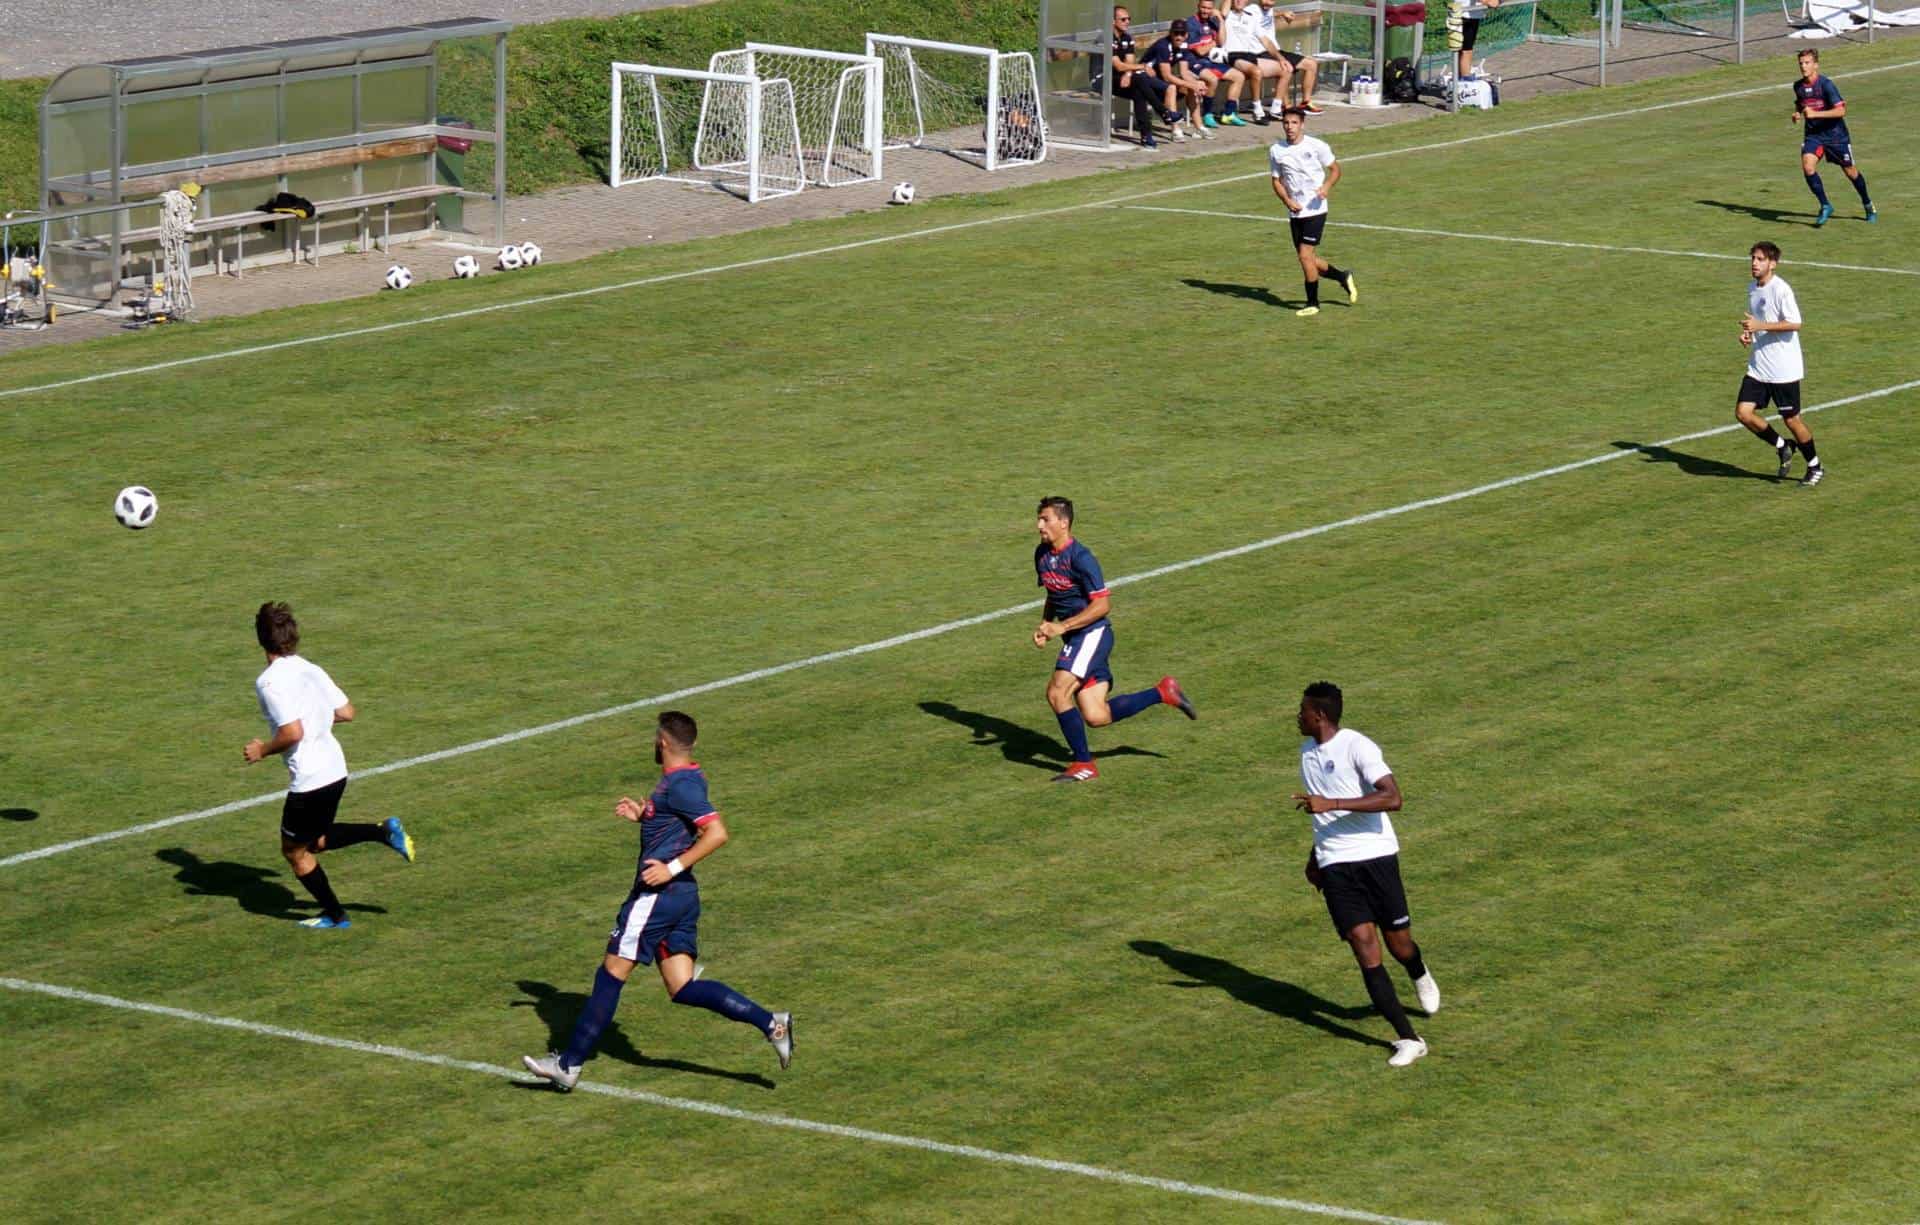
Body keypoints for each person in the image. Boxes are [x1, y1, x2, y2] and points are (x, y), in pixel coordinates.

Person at [523, 711, 791, 1091]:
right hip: (680, 899)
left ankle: (569, 1064)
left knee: (612, 971)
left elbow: (717, 833)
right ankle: (772, 1024)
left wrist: (671, 867)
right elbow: (676, 822)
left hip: (658, 896)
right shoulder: (685, 778)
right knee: (682, 987)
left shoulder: (682, 785)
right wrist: (644, 815)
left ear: (662, 742)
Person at [1291, 681, 1439, 1069]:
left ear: (1319, 715)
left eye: (1303, 710)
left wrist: (1333, 802)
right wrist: (1314, 858)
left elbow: (1393, 798)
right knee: (1363, 945)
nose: (1298, 716)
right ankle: (1409, 1038)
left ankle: (1418, 971)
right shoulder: (1307, 754)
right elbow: (1323, 815)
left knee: (1399, 944)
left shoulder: (1358, 746)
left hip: (1376, 857)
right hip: (1335, 863)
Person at [243, 601, 413, 931]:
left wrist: (261, 750)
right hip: (336, 769)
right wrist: (317, 715)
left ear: (261, 639)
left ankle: (337, 917)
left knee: (294, 851)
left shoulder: (269, 682)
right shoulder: (310, 668)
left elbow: (293, 732)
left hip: (310, 780)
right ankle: (383, 832)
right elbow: (347, 711)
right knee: (315, 840)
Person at [1032, 497, 1196, 784]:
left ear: (1063, 523)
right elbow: (1053, 592)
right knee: (1096, 715)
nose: (1039, 525)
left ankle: (1084, 764)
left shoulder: (1082, 559)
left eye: (1045, 519)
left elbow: (1102, 605)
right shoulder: (1042, 555)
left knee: (1057, 693)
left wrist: (1063, 626)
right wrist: (1046, 625)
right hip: (1075, 637)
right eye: (1039, 519)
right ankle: (1163, 692)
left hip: (1092, 634)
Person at [1736, 241, 1822, 487]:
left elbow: (1795, 323)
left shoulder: (1782, 290)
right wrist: (1749, 333)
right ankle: (1783, 446)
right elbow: (1759, 320)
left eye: (1760, 259)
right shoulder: (1752, 288)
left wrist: (1760, 327)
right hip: (1759, 366)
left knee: (1792, 420)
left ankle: (1815, 465)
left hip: (1783, 369)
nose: (1754, 263)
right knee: (1743, 413)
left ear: (1772, 264)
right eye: (1752, 258)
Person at [1268, 107, 1355, 317]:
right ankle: (1342, 276)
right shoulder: (1276, 150)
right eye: (1286, 123)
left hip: (1316, 209)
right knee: (1307, 258)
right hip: (1295, 211)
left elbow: (1335, 169)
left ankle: (1313, 303)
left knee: (1305, 256)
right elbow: (1276, 181)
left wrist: (1326, 187)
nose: (1290, 127)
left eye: (1294, 123)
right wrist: (1287, 201)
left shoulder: (1317, 146)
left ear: (1302, 124)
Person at [1792, 49, 1874, 228]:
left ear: (1816, 65)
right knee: (1808, 167)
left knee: (1851, 172)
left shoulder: (1826, 85)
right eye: (1801, 63)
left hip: (1836, 136)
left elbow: (1841, 110)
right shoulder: (1798, 86)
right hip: (1814, 136)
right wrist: (1798, 113)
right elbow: (1800, 102)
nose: (1803, 67)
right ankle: (1825, 205)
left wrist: (1816, 113)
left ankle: (1867, 204)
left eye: (1807, 63)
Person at [1111, 6, 1185, 147]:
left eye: (1129, 19)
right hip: (1103, 79)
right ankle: (1163, 113)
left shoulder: (1127, 37)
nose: (1127, 22)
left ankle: (1147, 137)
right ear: (1113, 21)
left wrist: (1128, 73)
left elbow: (1129, 62)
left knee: (1139, 91)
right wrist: (1143, 67)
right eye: (1123, 19)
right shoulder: (1107, 38)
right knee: (1140, 79)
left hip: (1121, 78)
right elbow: (1119, 66)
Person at [1144, 20, 1215, 140]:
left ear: (1186, 35)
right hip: (1146, 78)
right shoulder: (1163, 46)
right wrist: (1191, 84)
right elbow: (1166, 76)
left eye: (1182, 34)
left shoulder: (1184, 45)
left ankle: (1199, 128)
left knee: (1191, 88)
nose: (1178, 37)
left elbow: (1184, 72)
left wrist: (1196, 83)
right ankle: (1175, 130)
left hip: (1160, 78)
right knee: (1171, 88)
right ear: (1171, 33)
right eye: (1176, 33)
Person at [1223, 0, 1283, 125]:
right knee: (1256, 71)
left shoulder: (1251, 17)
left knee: (1285, 69)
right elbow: (1222, 12)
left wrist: (1280, 58)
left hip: (1249, 55)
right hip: (1232, 55)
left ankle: (1275, 110)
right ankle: (1258, 110)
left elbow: (1265, 40)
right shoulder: (1227, 15)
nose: (1239, 1)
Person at [1260, 1, 1324, 116]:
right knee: (1285, 68)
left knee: (1311, 64)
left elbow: (1269, 11)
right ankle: (1285, 105)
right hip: (1262, 51)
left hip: (1276, 49)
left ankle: (1306, 103)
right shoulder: (1252, 10)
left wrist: (1282, 13)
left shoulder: (1268, 9)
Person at [1447, 0, 1500, 85]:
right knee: (1466, 50)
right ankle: (1465, 81)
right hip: (1463, 14)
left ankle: (1460, 80)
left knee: (1465, 50)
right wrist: (1488, 1)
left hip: (1472, 14)